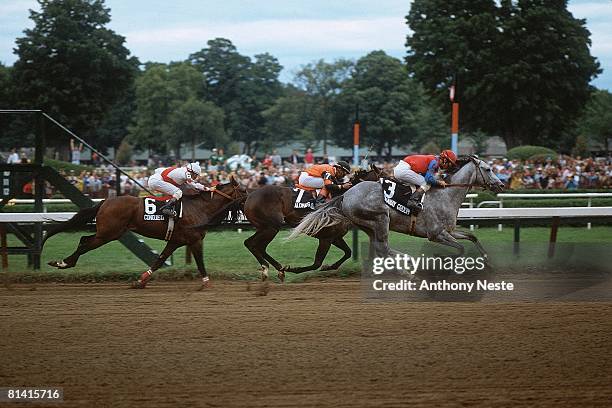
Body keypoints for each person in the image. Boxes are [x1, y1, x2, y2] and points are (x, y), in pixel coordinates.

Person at [393, 149, 458, 208]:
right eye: (449, 165)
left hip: (402, 169)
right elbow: (428, 179)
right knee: (426, 183)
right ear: (445, 160)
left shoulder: (434, 160)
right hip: (403, 170)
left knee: (420, 182)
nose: (448, 167)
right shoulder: (434, 162)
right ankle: (412, 200)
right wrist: (439, 182)